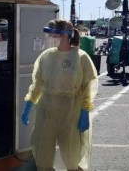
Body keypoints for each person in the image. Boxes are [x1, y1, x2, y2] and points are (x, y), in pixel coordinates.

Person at [21, 19, 98, 171]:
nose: (49, 39)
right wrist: (29, 103)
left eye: (52, 35)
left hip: (70, 112)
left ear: (65, 36)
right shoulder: (46, 56)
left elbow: (89, 86)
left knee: (71, 157)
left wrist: (84, 111)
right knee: (43, 154)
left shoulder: (81, 57)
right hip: (46, 111)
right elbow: (38, 83)